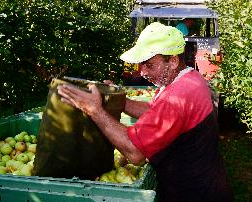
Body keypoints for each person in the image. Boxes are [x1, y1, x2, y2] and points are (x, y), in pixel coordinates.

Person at [57, 22, 233, 202]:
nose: (143, 72)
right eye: (141, 65)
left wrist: (94, 110)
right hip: (206, 183)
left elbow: (135, 153)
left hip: (193, 192)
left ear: (173, 61)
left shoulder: (179, 95)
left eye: (149, 65)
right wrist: (119, 100)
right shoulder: (187, 78)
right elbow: (155, 112)